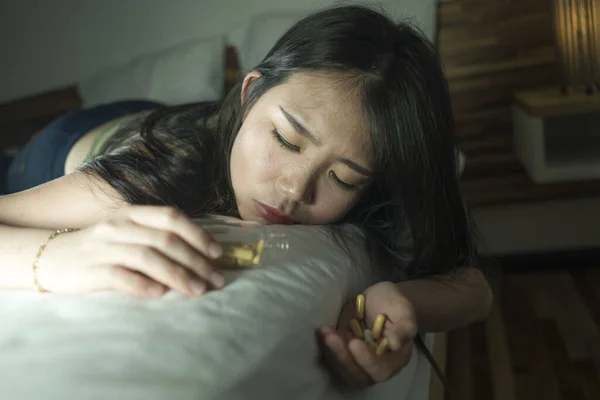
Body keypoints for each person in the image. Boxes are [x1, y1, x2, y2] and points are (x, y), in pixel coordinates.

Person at [0, 5, 492, 390]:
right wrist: (53, 255)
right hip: (66, 140)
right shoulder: (163, 166)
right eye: (286, 140)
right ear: (251, 92)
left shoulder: (376, 174)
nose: (295, 190)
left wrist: (399, 299)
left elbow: (474, 289)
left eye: (342, 178)